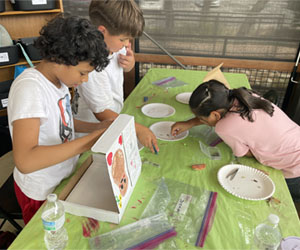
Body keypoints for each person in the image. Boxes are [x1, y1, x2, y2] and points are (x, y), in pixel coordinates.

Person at [7, 15, 112, 224]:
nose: (85, 80)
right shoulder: (30, 88)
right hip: (41, 191)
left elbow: (62, 123)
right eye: (83, 73)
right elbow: (26, 161)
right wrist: (88, 142)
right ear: (60, 59)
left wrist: (97, 127)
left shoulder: (59, 82)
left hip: (61, 178)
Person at [171, 79, 300, 202]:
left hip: (294, 167)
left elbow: (245, 153)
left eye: (202, 119)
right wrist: (190, 123)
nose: (201, 121)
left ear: (215, 114)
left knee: (282, 198)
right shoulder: (243, 96)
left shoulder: (224, 127)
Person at [74, 0, 159, 153]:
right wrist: (137, 128)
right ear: (102, 32)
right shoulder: (91, 66)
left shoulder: (114, 45)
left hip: (114, 118)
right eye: (123, 39)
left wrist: (130, 64)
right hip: (93, 129)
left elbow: (123, 69)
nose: (127, 44)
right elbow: (101, 113)